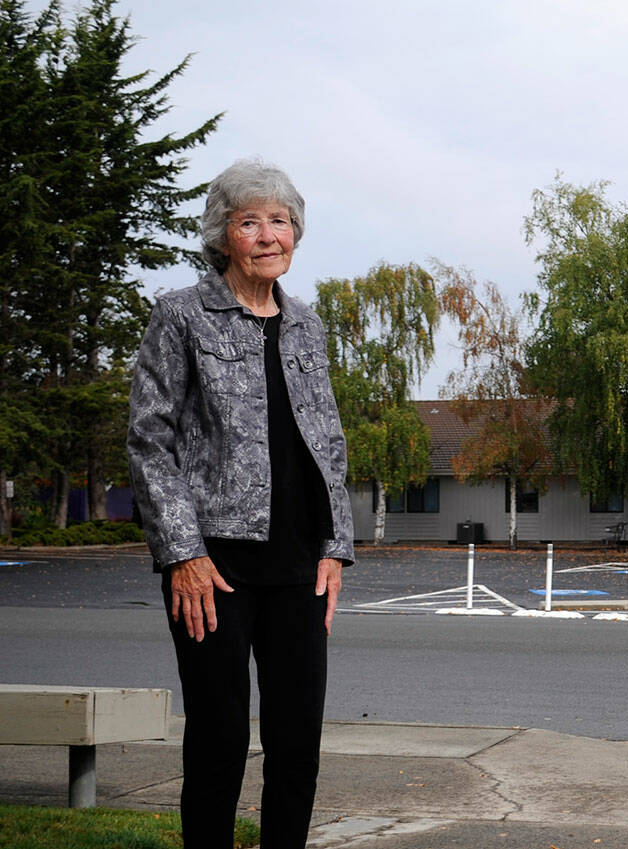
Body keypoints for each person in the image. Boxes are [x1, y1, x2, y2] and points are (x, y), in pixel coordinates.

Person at [128, 158, 354, 849]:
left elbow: (329, 439)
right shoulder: (181, 316)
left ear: (296, 234)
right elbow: (149, 439)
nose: (267, 234)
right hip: (213, 567)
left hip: (299, 568)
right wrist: (182, 553)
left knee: (296, 743)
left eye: (280, 221)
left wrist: (336, 545)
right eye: (249, 220)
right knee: (220, 737)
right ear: (222, 234)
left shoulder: (307, 326)